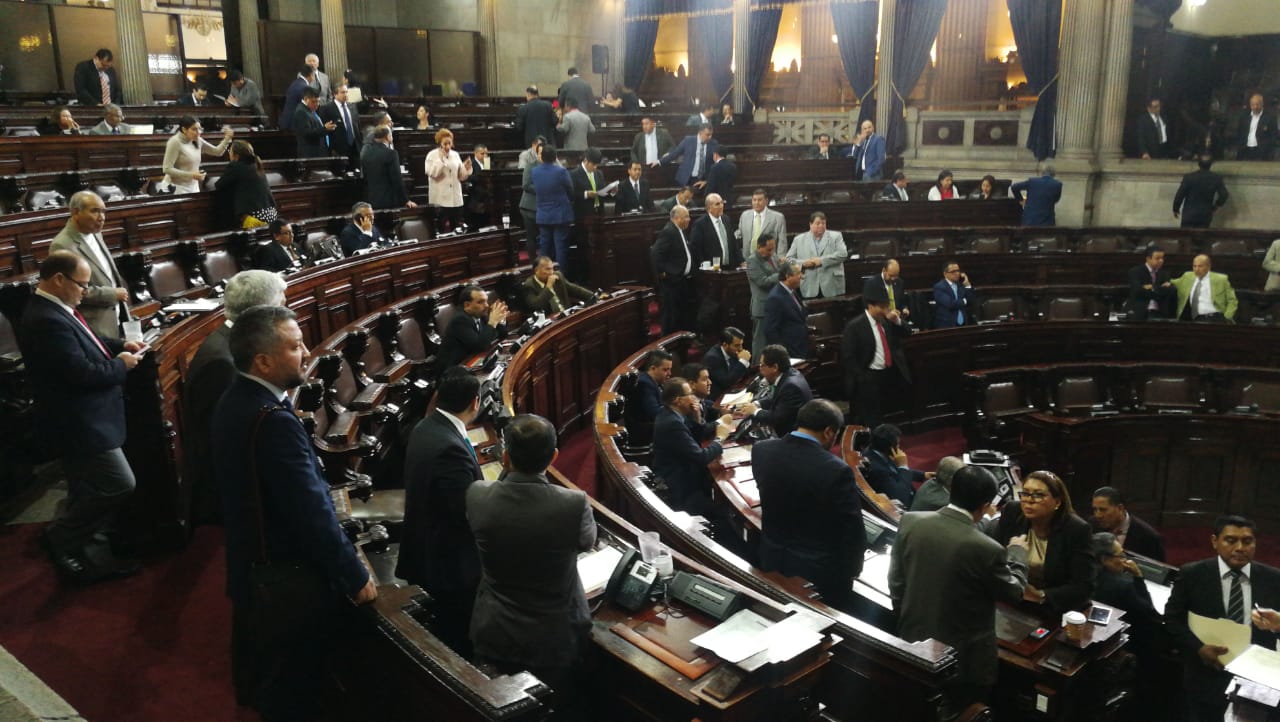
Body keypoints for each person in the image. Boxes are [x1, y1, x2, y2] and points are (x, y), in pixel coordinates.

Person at [211, 305, 375, 718]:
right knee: (294, 690)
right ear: (262, 360)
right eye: (294, 346)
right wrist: (354, 575)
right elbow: (310, 512)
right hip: (287, 581)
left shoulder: (236, 398)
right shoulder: (272, 420)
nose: (305, 353)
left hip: (253, 563)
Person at [21, 251, 144, 583]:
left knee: (85, 487)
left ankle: (91, 556)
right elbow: (82, 372)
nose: (85, 292)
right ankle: (62, 537)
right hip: (79, 421)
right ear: (59, 279)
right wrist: (121, 365)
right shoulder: (45, 319)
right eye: (82, 285)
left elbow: (90, 342)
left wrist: (121, 344)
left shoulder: (59, 308)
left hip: (88, 417)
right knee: (119, 484)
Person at [467, 414, 596, 710]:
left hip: (495, 630)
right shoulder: (573, 503)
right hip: (553, 637)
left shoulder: (476, 495)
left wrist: (510, 468)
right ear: (554, 457)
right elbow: (586, 542)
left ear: (505, 456)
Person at [889, 465, 1030, 714]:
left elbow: (897, 581)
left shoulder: (911, 521)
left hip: (912, 634)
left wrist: (906, 615)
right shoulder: (987, 548)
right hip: (963, 658)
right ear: (986, 505)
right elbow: (1014, 592)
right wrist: (1018, 552)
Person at [183, 270, 286, 526]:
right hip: (229, 495)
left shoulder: (234, 342)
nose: (285, 305)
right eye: (281, 301)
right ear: (263, 311)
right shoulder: (222, 362)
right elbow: (226, 437)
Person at [396, 366, 484, 653]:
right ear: (475, 403)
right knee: (455, 643)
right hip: (448, 566)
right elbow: (465, 513)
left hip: (423, 548)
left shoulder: (426, 426)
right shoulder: (450, 449)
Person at [1165, 515, 1280, 722]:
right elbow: (1173, 620)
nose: (1239, 547)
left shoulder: (1274, 578)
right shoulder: (1193, 574)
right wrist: (1198, 648)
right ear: (1214, 541)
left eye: (1247, 541)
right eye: (1230, 540)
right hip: (1207, 674)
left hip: (1257, 682)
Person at [755, 399, 863, 610]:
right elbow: (852, 528)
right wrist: (852, 570)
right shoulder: (836, 470)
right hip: (817, 573)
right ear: (829, 432)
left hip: (771, 557)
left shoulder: (761, 450)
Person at [984, 469, 1096, 613]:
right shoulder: (1012, 511)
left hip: (1053, 606)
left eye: (1038, 495)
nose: (1029, 500)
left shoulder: (1077, 530)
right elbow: (994, 556)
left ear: (1057, 502)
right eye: (1025, 493)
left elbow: (1084, 587)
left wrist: (1040, 595)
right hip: (1012, 599)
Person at [49, 191, 130, 339]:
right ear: (76, 212)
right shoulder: (62, 244)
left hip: (116, 317)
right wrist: (111, 294)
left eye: (104, 212)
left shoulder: (95, 233)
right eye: (95, 211)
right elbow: (68, 291)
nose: (102, 218)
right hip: (95, 326)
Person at [652, 377, 730, 514]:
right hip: (681, 487)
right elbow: (701, 457)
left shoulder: (672, 414)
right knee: (723, 512)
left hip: (687, 477)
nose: (693, 398)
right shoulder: (672, 423)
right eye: (689, 395)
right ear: (677, 400)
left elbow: (694, 440)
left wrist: (697, 417)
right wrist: (720, 438)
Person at [842, 284, 909, 427]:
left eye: (887, 307)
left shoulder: (887, 322)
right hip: (867, 377)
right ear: (870, 306)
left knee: (884, 412)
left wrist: (896, 320)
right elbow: (848, 357)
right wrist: (862, 377)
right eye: (882, 307)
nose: (885, 310)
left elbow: (907, 332)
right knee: (870, 416)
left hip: (887, 374)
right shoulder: (854, 326)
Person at [438, 285, 508, 370]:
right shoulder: (460, 320)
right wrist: (493, 322)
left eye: (486, 301)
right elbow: (480, 346)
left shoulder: (480, 315)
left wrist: (499, 320)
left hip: (472, 363)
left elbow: (503, 334)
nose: (486, 305)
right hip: (454, 371)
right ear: (467, 305)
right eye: (480, 302)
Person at [652, 205, 696, 335]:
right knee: (670, 316)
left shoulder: (680, 230)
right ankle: (667, 345)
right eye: (686, 217)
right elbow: (655, 253)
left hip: (681, 280)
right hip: (671, 282)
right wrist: (662, 273)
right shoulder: (669, 231)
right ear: (677, 218)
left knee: (680, 314)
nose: (689, 219)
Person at [861, 423, 928, 508]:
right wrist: (903, 465)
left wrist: (923, 475)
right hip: (908, 508)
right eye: (898, 444)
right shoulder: (878, 470)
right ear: (890, 448)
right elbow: (900, 498)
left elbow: (895, 470)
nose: (899, 447)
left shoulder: (875, 451)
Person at [750, 345, 813, 436]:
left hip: (792, 437)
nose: (760, 369)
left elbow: (777, 419)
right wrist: (757, 403)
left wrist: (755, 411)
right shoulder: (789, 373)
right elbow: (776, 398)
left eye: (762, 365)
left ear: (775, 367)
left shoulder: (791, 387)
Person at [1091, 486, 1166, 561]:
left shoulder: (1148, 536)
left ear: (1120, 508)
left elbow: (1158, 571)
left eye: (1103, 510)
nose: (1098, 515)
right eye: (1095, 509)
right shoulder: (1092, 526)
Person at [162, 115, 233, 194]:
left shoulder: (198, 140)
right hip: (176, 187)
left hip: (193, 185)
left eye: (199, 128)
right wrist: (192, 175)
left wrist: (227, 139)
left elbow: (217, 152)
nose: (198, 132)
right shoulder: (174, 142)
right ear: (184, 129)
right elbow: (167, 169)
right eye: (194, 129)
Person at [216, 140, 277, 230]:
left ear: (236, 155)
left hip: (255, 218)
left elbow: (219, 185)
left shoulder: (236, 166)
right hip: (271, 215)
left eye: (230, 151)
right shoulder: (256, 164)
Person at [531, 145, 575, 267]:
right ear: (555, 157)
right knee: (560, 247)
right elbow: (570, 189)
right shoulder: (561, 171)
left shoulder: (534, 172)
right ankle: (560, 277)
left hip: (543, 214)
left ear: (542, 157)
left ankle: (542, 275)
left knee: (544, 248)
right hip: (560, 214)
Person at [789, 211, 847, 300]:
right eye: (818, 223)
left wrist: (821, 261)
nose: (821, 226)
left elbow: (843, 254)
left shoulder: (836, 236)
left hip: (832, 285)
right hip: (809, 286)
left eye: (823, 223)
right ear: (810, 224)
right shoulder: (798, 240)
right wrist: (803, 264)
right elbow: (788, 260)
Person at [425, 128, 473, 233]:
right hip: (440, 199)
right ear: (440, 143)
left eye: (449, 143)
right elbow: (433, 174)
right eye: (445, 143)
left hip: (455, 199)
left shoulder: (455, 155)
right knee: (442, 228)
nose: (447, 146)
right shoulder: (432, 155)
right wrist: (441, 161)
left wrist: (466, 168)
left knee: (456, 228)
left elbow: (461, 177)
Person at [745, 233, 782, 361]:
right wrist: (781, 274)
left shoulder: (773, 256)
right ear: (759, 247)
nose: (772, 252)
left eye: (773, 248)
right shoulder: (752, 261)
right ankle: (756, 368)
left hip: (776, 306)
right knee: (760, 343)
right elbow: (763, 282)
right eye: (769, 249)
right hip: (762, 308)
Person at [361, 127, 416, 210]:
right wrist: (406, 200)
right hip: (388, 200)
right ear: (387, 136)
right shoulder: (391, 154)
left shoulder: (366, 153)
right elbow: (396, 179)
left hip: (371, 200)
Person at [1173, 254, 1237, 322]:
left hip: (1215, 318)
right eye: (1194, 266)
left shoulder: (1221, 279)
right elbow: (1173, 282)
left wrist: (1227, 317)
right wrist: (1168, 283)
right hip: (1191, 318)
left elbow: (1232, 300)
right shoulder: (1187, 276)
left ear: (1208, 267)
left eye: (1200, 266)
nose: (1196, 269)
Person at [763, 261, 808, 358]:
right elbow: (770, 330)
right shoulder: (775, 298)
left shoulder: (792, 291)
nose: (802, 276)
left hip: (800, 347)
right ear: (788, 276)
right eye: (798, 273)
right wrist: (782, 354)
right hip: (790, 351)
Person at [520, 256, 595, 314]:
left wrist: (594, 296)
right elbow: (536, 305)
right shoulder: (529, 285)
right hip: (550, 324)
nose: (551, 272)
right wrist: (548, 287)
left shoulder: (558, 275)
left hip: (566, 315)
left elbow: (576, 290)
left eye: (552, 269)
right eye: (547, 269)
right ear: (536, 270)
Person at [1173, 156, 1229, 228]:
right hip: (1205, 213)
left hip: (1189, 213)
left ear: (1199, 164)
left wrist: (1176, 208)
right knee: (1201, 237)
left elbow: (1180, 194)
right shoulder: (1216, 178)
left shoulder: (1189, 177)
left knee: (1186, 235)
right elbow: (1224, 194)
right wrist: (1216, 206)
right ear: (1210, 165)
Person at [1125, 246, 1175, 321]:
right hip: (1140, 311)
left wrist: (1152, 288)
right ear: (1148, 258)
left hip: (1160, 312)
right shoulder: (1136, 272)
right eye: (1157, 258)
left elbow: (1170, 291)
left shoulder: (1165, 274)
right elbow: (1138, 291)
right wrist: (1159, 289)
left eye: (1162, 258)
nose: (1161, 261)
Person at [690, 193, 739, 268]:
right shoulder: (700, 224)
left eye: (722, 203)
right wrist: (704, 266)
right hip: (711, 270)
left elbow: (733, 243)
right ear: (709, 208)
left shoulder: (726, 219)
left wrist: (741, 260)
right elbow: (696, 248)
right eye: (717, 204)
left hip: (730, 267)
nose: (721, 206)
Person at [517, 136, 545, 261]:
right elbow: (526, 185)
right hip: (529, 207)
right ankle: (533, 262)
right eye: (539, 154)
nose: (541, 157)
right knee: (531, 236)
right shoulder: (530, 165)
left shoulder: (551, 166)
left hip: (544, 207)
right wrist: (543, 189)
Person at [739, 188, 789, 259]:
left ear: (766, 201)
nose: (756, 203)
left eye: (759, 200)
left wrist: (780, 259)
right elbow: (739, 233)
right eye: (754, 200)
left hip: (769, 260)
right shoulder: (744, 215)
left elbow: (782, 241)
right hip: (748, 259)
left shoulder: (778, 217)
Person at [319, 84, 361, 167]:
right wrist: (331, 149)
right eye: (342, 92)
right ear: (335, 94)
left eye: (346, 92)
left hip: (355, 147)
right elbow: (325, 130)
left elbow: (357, 125)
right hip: (338, 149)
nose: (345, 94)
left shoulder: (352, 106)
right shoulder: (327, 109)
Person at [629, 349, 673, 427]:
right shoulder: (644, 384)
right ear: (653, 369)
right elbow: (656, 414)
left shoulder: (654, 380)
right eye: (665, 370)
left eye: (670, 369)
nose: (670, 373)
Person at [704, 327, 751, 397]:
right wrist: (743, 362)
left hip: (733, 391)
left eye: (741, 344)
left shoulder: (734, 352)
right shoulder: (712, 358)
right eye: (737, 345)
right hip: (718, 396)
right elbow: (727, 382)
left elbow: (745, 374)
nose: (741, 348)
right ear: (725, 345)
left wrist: (744, 362)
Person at [863, 259, 909, 327]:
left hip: (896, 321)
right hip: (880, 322)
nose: (893, 279)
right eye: (891, 275)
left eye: (896, 276)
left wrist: (904, 309)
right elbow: (868, 307)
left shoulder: (899, 282)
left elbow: (902, 302)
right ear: (884, 270)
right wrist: (887, 313)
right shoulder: (871, 284)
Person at [932, 260, 976, 328]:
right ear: (945, 274)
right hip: (947, 324)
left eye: (958, 271)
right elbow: (951, 304)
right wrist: (965, 301)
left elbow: (972, 300)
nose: (957, 273)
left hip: (964, 324)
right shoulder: (939, 287)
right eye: (953, 272)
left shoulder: (961, 285)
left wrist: (967, 285)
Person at [570, 147, 610, 221]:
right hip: (583, 216)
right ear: (586, 161)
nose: (595, 167)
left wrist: (611, 191)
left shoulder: (599, 173)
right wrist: (586, 194)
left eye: (597, 164)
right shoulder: (574, 174)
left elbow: (602, 191)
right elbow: (571, 194)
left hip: (599, 214)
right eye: (593, 164)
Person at [292, 88, 334, 159]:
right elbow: (306, 133)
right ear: (306, 99)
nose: (317, 104)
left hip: (318, 152)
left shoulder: (310, 110)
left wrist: (326, 129)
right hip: (310, 154)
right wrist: (324, 128)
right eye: (314, 102)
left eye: (318, 101)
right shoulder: (301, 112)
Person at [1234, 92, 1277, 161]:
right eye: (1253, 105)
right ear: (1250, 105)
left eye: (1257, 104)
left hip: (1262, 153)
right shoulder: (1244, 117)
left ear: (1262, 104)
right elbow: (1239, 133)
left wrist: (1267, 148)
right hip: (1245, 151)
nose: (1255, 107)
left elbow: (1274, 136)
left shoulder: (1270, 118)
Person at [278, 66, 314, 130]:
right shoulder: (305, 87)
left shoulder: (295, 83)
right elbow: (308, 107)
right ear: (311, 75)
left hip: (287, 121)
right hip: (296, 124)